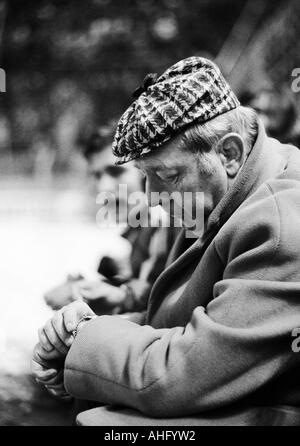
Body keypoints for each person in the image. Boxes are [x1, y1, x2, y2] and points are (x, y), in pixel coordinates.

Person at [33, 57, 300, 425]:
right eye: (145, 174)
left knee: (105, 424)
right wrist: (80, 332)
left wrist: (85, 340)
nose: (153, 196)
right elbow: (171, 317)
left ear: (230, 154)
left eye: (167, 174)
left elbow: (186, 376)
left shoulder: (281, 223)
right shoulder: (218, 194)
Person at [44, 125, 178, 315]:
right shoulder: (141, 226)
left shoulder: (168, 221)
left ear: (146, 170)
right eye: (97, 175)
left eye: (116, 172)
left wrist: (111, 293)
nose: (103, 186)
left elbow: (158, 303)